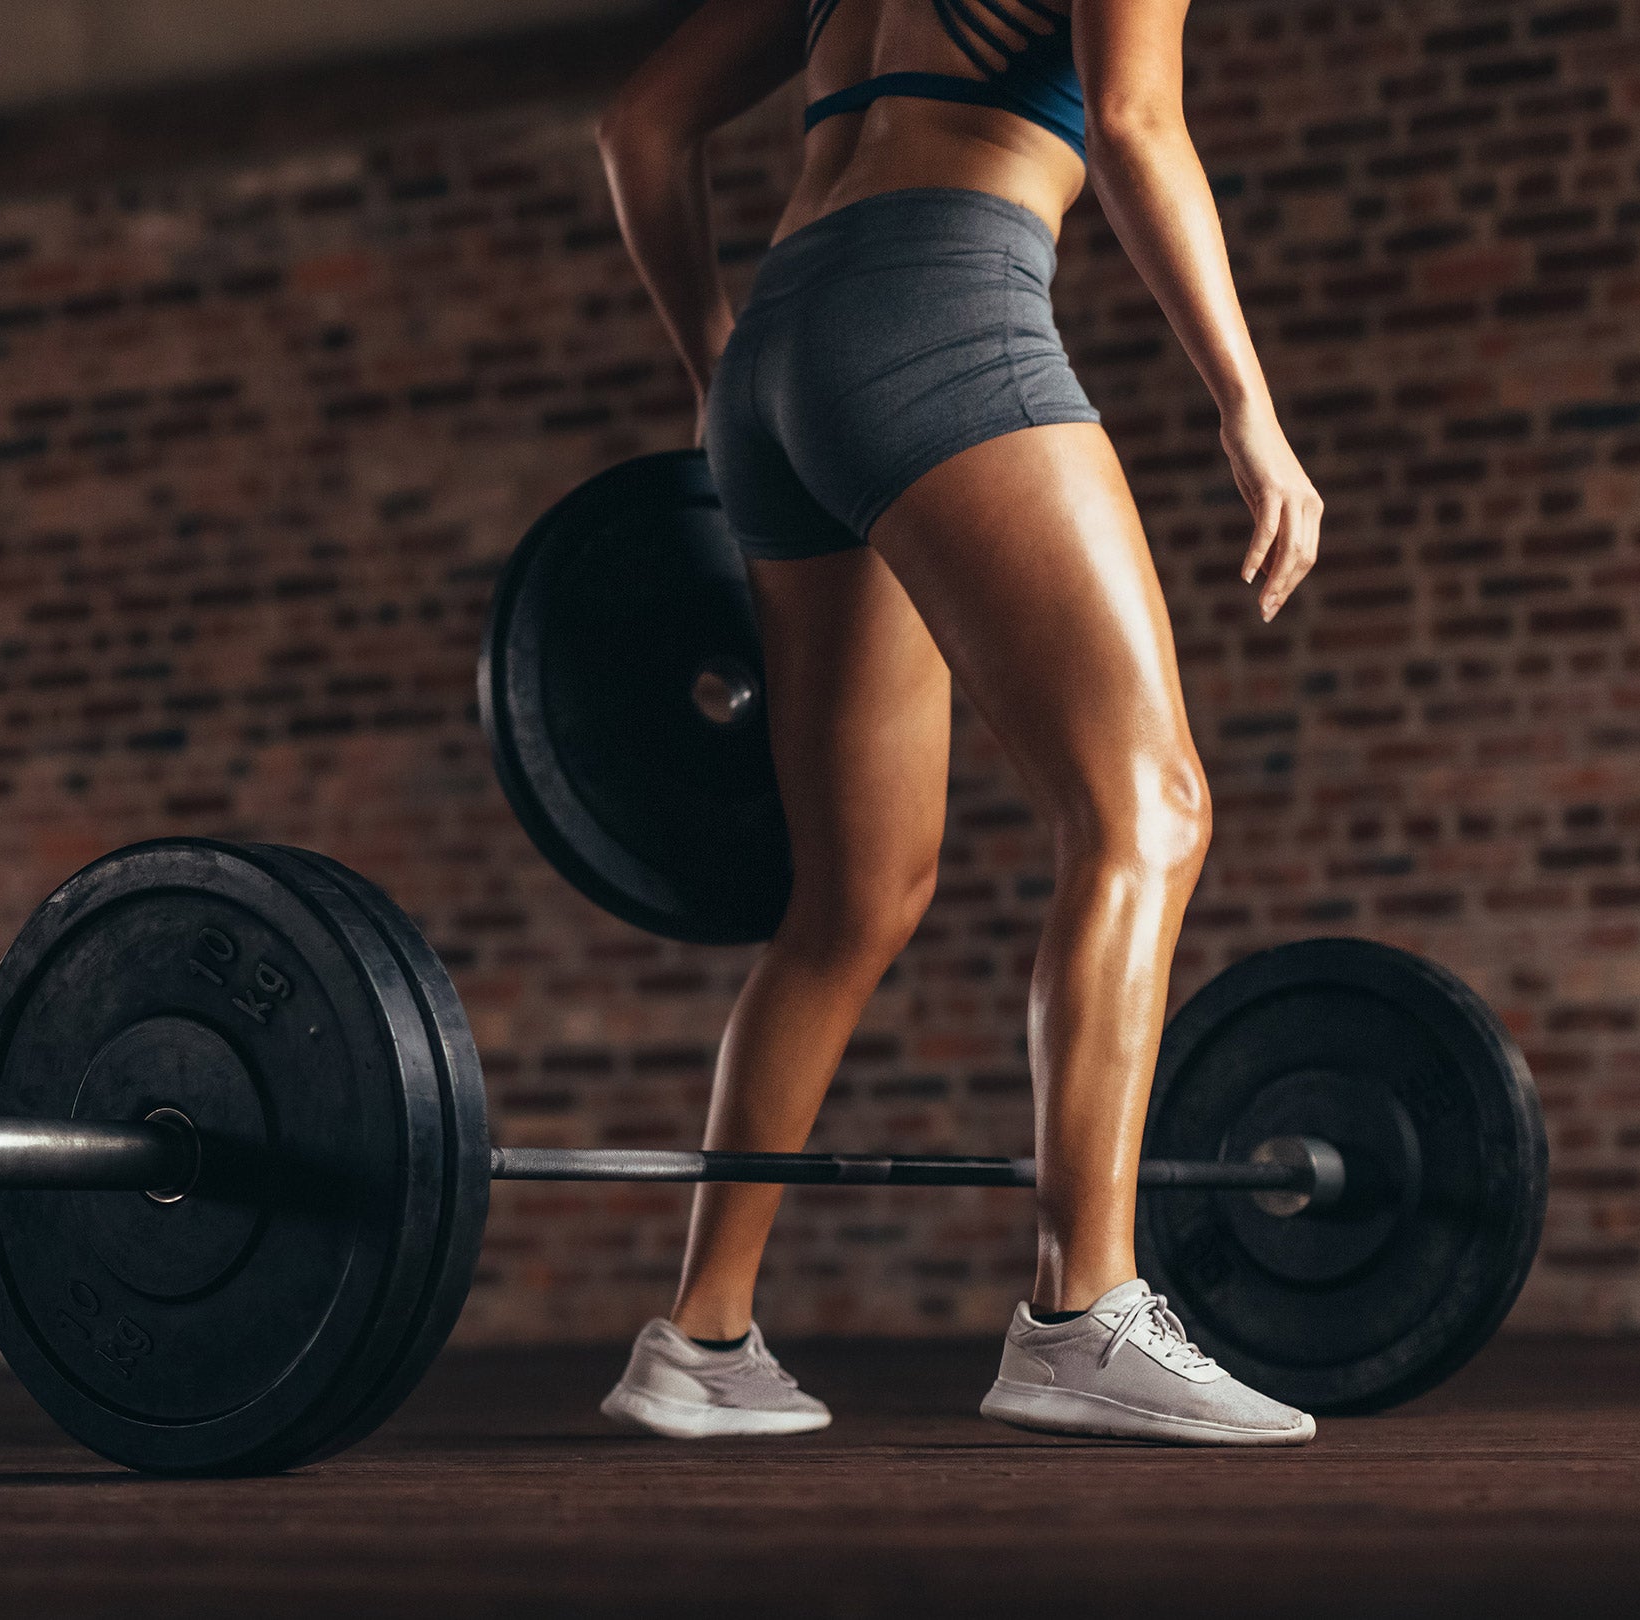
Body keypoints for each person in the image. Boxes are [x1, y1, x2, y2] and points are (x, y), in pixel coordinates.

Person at [589, 0, 1324, 1446]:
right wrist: (1249, 407)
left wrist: (711, 363)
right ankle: (1081, 1311)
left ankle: (700, 1338)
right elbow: (1133, 124)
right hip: (939, 305)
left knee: (854, 898)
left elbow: (639, 129)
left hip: (784, 361)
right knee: (1145, 810)